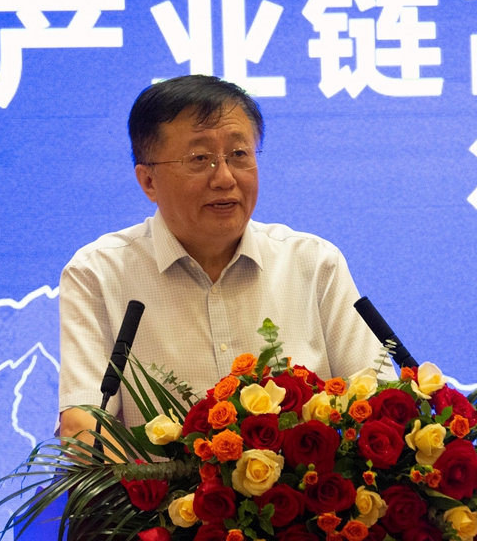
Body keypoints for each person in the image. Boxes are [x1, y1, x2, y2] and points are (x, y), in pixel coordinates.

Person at [58, 75, 393, 440]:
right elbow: (83, 427)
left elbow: (379, 406)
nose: (225, 178)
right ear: (148, 181)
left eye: (239, 155)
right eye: (200, 158)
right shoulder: (98, 274)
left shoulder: (314, 264)